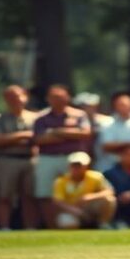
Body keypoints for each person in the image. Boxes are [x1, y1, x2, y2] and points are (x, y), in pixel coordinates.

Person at [32, 84, 92, 228]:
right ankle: (51, 226)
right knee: (45, 194)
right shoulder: (41, 117)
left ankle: (76, 223)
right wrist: (70, 133)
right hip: (48, 158)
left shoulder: (79, 115)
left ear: (67, 97)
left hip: (72, 158)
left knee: (73, 193)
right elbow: (39, 139)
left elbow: (85, 134)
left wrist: (55, 132)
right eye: (54, 97)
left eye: (61, 97)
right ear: (48, 99)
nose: (58, 100)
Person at [0, 85, 38, 230]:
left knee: (29, 196)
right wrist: (23, 135)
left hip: (30, 159)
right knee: (5, 195)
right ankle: (4, 227)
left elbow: (40, 138)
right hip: (7, 160)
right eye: (10, 97)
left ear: (25, 96)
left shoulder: (35, 118)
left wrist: (11, 139)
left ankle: (30, 227)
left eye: (18, 96)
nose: (15, 100)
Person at [52, 151, 116, 229]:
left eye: (79, 165)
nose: (76, 168)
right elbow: (58, 201)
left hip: (90, 207)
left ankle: (103, 224)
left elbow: (109, 191)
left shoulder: (95, 176)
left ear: (86, 166)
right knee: (67, 223)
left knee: (109, 199)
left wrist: (90, 197)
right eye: (74, 165)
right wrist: (75, 211)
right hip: (71, 209)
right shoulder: (61, 181)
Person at [97, 92, 130, 171]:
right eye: (120, 105)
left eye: (125, 105)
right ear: (115, 106)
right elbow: (107, 146)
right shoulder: (107, 123)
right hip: (110, 165)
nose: (123, 108)